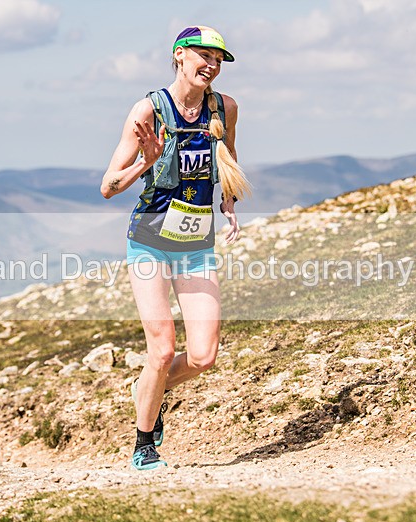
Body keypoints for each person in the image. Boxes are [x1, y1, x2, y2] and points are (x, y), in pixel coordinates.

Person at [100, 25, 251, 470]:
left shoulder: (225, 107)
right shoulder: (149, 109)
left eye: (218, 60)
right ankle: (144, 443)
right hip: (149, 241)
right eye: (204, 56)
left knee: (203, 356)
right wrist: (145, 163)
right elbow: (108, 186)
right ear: (179, 55)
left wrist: (228, 200)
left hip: (195, 244)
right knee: (162, 350)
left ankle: (152, 387)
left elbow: (228, 155)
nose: (212, 65)